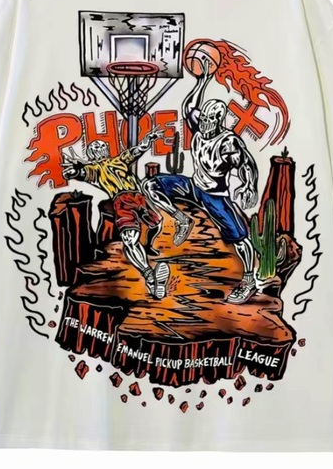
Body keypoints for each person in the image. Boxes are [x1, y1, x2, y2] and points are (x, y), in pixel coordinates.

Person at [144, 59, 261, 304]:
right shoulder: (199, 127)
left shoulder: (228, 142)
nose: (204, 123)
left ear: (218, 120)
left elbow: (247, 163)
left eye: (209, 120)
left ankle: (249, 280)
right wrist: (202, 82)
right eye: (203, 118)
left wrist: (249, 185)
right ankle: (181, 219)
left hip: (215, 195)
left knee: (240, 240)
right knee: (150, 185)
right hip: (193, 186)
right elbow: (188, 106)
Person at [61, 127, 169, 299]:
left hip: (139, 197)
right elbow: (82, 173)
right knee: (130, 240)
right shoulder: (95, 168)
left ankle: (148, 246)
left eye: (101, 145)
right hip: (121, 200)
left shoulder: (119, 159)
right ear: (91, 154)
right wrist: (73, 172)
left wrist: (148, 139)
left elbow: (137, 151)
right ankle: (150, 277)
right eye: (95, 147)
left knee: (157, 223)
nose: (99, 148)